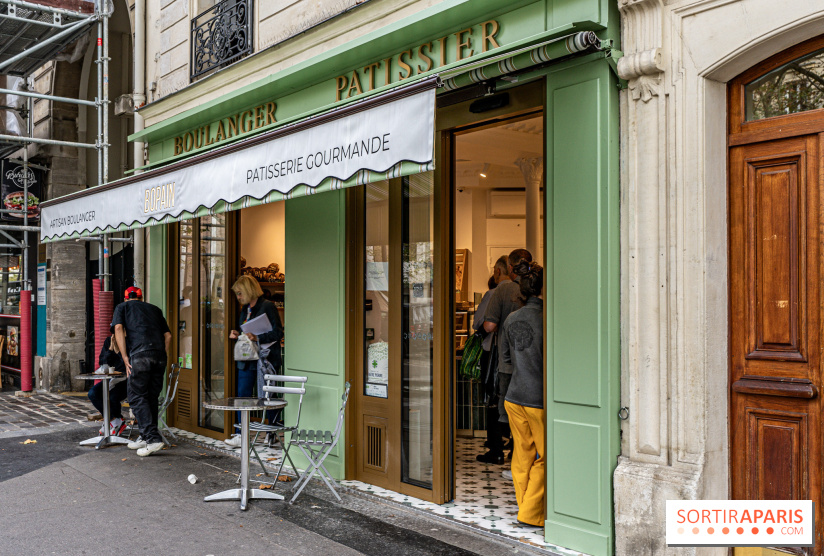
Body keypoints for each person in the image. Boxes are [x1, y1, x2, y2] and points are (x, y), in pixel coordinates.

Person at [500, 260, 544, 527]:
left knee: (522, 455)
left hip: (514, 396)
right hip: (539, 399)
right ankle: (530, 513)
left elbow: (505, 361)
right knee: (546, 456)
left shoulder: (511, 319)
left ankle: (524, 504)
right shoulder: (548, 319)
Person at [482, 248, 533, 459]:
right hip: (535, 363)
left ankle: (508, 455)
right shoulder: (539, 287)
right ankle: (523, 456)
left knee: (508, 411)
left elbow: (489, 325)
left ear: (510, 268)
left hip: (508, 362)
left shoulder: (502, 291)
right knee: (531, 414)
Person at [112, 286, 172, 457]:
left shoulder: (122, 307)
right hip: (159, 356)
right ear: (141, 297)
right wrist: (162, 353)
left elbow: (117, 329)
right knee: (150, 397)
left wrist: (124, 357)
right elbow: (168, 336)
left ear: (125, 298)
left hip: (140, 355)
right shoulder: (154, 309)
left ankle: (153, 439)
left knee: (136, 396)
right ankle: (146, 436)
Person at [225, 275, 284, 447]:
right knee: (242, 395)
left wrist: (257, 337)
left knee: (267, 395)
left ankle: (271, 431)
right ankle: (240, 433)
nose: (239, 297)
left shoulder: (267, 306)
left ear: (249, 290)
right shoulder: (244, 309)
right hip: (247, 359)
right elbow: (246, 331)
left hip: (264, 359)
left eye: (240, 293)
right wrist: (237, 334)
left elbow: (278, 333)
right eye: (237, 294)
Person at [474, 256, 509, 464]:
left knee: (493, 399)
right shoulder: (521, 292)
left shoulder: (493, 294)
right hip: (515, 356)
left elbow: (482, 323)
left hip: (494, 353)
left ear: (497, 271)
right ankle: (513, 446)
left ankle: (495, 448)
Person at [87, 333, 128, 436]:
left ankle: (114, 421)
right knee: (93, 393)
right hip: (111, 380)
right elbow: (103, 363)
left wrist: (118, 351)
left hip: (126, 381)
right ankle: (114, 420)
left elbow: (127, 363)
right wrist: (110, 348)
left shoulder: (130, 341)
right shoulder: (109, 341)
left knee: (112, 396)